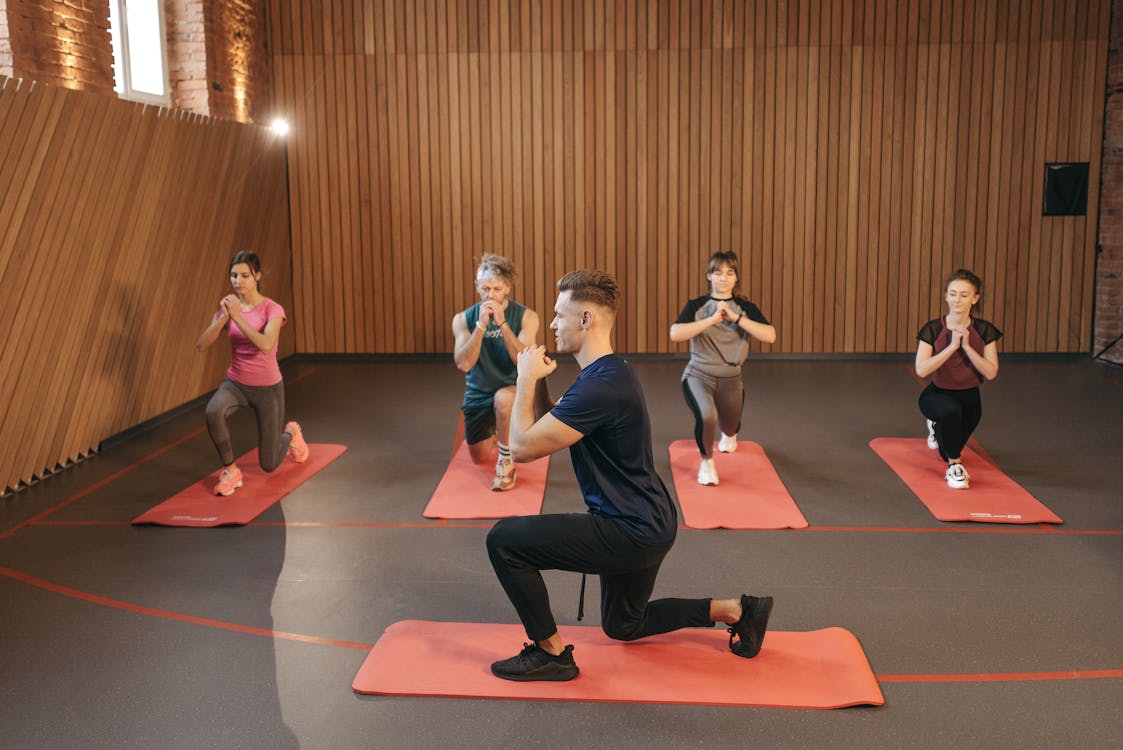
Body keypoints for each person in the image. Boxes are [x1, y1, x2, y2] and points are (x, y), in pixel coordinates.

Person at [485, 269, 773, 682]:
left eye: (558, 315)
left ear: (586, 320)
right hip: (653, 520)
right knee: (623, 624)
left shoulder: (600, 387)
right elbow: (554, 425)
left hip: (628, 529)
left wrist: (525, 378)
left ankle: (551, 654)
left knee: (504, 542)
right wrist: (541, 387)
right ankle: (736, 610)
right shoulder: (608, 373)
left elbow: (524, 448)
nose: (552, 324)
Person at [195, 251, 309, 496]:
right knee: (213, 411)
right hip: (235, 383)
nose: (239, 281)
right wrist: (223, 318)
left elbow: (266, 344)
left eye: (245, 275)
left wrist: (237, 317)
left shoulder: (272, 309)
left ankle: (290, 433)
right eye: (234, 276)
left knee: (268, 464)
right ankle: (230, 470)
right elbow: (202, 345)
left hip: (268, 388)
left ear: (257, 276)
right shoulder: (230, 308)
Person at [669, 251, 776, 486]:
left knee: (729, 425)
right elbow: (675, 333)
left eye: (730, 273)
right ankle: (706, 463)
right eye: (718, 273)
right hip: (698, 375)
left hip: (731, 380)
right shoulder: (697, 305)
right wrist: (713, 319)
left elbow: (770, 336)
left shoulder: (745, 307)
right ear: (709, 276)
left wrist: (736, 318)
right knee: (707, 415)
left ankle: (730, 434)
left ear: (736, 278)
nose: (724, 278)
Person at [452, 255, 540, 491]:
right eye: (485, 288)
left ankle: (506, 462)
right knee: (479, 458)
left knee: (503, 398)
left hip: (512, 392)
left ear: (508, 288)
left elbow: (524, 360)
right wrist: (481, 327)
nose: (490, 295)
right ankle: (500, 432)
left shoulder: (526, 317)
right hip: (478, 393)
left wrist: (502, 325)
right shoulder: (463, 319)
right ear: (477, 287)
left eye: (497, 289)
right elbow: (464, 364)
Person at [914, 269, 1001, 490]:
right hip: (937, 395)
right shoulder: (933, 329)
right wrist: (952, 346)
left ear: (975, 298)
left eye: (964, 294)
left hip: (971, 400)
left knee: (945, 449)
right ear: (946, 296)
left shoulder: (984, 330)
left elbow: (990, 372)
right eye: (953, 294)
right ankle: (955, 467)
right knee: (951, 423)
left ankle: (939, 433)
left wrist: (967, 347)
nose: (957, 300)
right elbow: (921, 370)